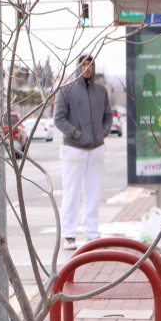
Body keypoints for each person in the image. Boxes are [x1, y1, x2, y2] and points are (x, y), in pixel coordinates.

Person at [54, 54, 112, 250]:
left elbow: (108, 116)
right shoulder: (66, 90)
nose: (87, 68)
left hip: (97, 149)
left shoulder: (101, 91)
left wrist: (103, 132)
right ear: (77, 67)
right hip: (73, 149)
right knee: (71, 192)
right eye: (83, 65)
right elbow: (59, 119)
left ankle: (92, 233)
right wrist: (77, 135)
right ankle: (69, 235)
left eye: (90, 65)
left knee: (93, 192)